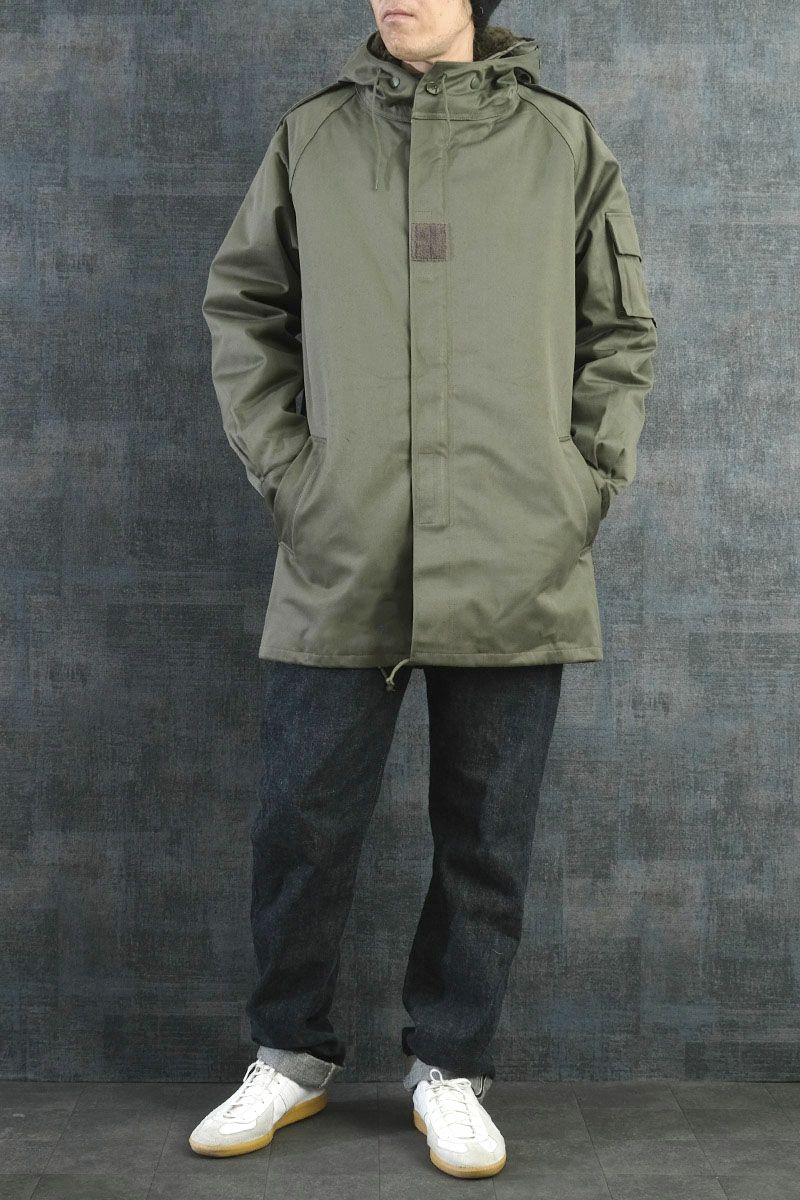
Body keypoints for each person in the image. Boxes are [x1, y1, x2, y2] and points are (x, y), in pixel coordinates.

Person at [191, 0, 658, 1179]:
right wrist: (294, 479)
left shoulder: (560, 141)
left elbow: (617, 331)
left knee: (485, 836)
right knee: (299, 821)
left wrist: (578, 484)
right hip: (343, 545)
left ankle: (450, 1065)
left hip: (515, 545)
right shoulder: (311, 137)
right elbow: (244, 309)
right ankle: (287, 1054)